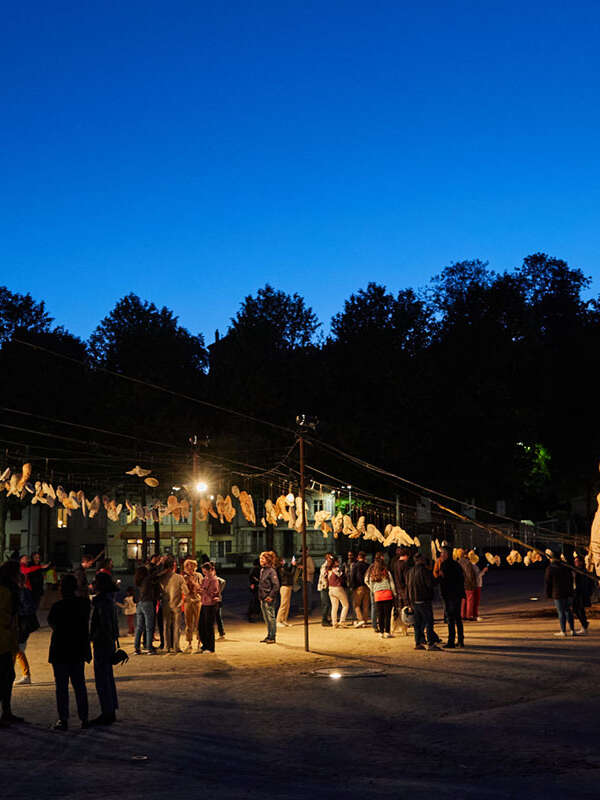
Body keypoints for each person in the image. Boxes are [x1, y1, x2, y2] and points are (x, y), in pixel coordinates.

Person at [47, 573, 91, 730]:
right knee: (80, 685)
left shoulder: (57, 607)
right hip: (77, 649)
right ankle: (84, 718)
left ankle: (63, 719)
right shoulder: (83, 605)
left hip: (60, 650)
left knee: (62, 687)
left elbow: (52, 623)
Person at [90, 571, 119, 725]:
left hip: (102, 642)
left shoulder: (102, 602)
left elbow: (103, 624)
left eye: (95, 582)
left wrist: (93, 636)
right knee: (107, 677)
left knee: (102, 678)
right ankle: (110, 710)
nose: (93, 584)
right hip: (108, 642)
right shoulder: (109, 600)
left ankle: (107, 712)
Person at [0, 560, 23, 726]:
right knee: (5, 676)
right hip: (3, 639)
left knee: (7, 676)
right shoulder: (6, 589)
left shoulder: (9, 588)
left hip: (7, 639)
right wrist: (10, 622)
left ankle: (7, 712)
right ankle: (6, 712)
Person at [406, 553, 439, 651]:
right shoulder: (425, 571)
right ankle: (431, 643)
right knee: (429, 621)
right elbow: (430, 584)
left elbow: (408, 587)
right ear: (421, 560)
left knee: (417, 623)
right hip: (424, 599)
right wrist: (439, 578)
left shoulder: (410, 571)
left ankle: (418, 642)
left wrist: (409, 601)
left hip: (414, 600)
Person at [437, 546, 465, 649]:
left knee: (450, 618)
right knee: (457, 618)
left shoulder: (445, 565)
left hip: (449, 595)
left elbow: (443, 579)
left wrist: (440, 577)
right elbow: (462, 578)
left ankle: (451, 641)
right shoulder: (457, 565)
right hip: (457, 594)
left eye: (442, 553)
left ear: (447, 554)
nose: (441, 556)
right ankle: (461, 640)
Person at [14, 573, 39, 686]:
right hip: (22, 624)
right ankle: (25, 674)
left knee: (18, 649)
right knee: (18, 650)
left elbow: (27, 609)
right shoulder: (25, 591)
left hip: (21, 625)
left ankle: (26, 674)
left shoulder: (21, 592)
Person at [160, 557, 188, 654]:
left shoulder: (161, 578)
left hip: (165, 603)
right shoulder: (179, 578)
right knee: (177, 626)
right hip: (177, 604)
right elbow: (186, 591)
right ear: (174, 566)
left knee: (166, 626)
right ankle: (176, 647)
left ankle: (166, 646)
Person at [545, 552, 576, 637]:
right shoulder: (566, 567)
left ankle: (563, 631)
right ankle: (572, 630)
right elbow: (571, 579)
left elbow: (548, 582)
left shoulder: (550, 568)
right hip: (568, 592)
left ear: (551, 558)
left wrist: (548, 594)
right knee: (568, 611)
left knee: (561, 612)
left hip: (557, 593)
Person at [365, 556, 396, 638]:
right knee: (387, 615)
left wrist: (374, 592)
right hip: (387, 595)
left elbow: (371, 586)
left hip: (378, 596)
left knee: (380, 615)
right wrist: (394, 593)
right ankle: (387, 632)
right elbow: (392, 584)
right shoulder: (387, 573)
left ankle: (381, 632)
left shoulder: (373, 574)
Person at [134, 565, 158, 655]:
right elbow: (156, 575)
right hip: (147, 603)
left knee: (139, 627)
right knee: (149, 627)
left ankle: (137, 648)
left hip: (139, 604)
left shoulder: (138, 581)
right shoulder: (147, 580)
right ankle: (149, 648)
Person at [198, 562, 220, 653]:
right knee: (201, 625)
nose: (204, 573)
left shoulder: (214, 580)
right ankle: (205, 644)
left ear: (211, 570)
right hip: (204, 603)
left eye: (206, 571)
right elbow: (202, 590)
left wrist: (203, 591)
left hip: (211, 605)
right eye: (203, 571)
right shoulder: (205, 579)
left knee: (209, 626)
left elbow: (213, 594)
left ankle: (210, 647)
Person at [258, 551, 279, 643]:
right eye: (260, 558)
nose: (260, 560)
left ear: (268, 560)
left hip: (268, 598)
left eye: (262, 558)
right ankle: (269, 635)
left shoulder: (271, 571)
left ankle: (272, 636)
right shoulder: (262, 570)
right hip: (263, 598)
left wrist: (270, 596)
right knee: (266, 618)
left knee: (271, 617)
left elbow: (276, 585)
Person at [182, 559, 202, 651]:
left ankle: (199, 642)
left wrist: (193, 582)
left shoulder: (198, 575)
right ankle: (189, 642)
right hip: (188, 601)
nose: (190, 567)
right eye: (188, 565)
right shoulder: (183, 577)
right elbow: (182, 589)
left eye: (192, 565)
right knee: (188, 622)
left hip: (197, 600)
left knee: (198, 622)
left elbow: (201, 587)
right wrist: (186, 582)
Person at [573, 555, 595, 635]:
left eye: (577, 561)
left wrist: (588, 592)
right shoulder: (577, 570)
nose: (576, 563)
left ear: (581, 562)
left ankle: (584, 625)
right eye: (575, 561)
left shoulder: (583, 571)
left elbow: (589, 583)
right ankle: (584, 624)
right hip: (578, 593)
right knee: (578, 610)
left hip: (581, 594)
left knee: (579, 609)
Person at [327, 557, 350, 628]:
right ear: (335, 562)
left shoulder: (328, 571)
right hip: (337, 588)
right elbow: (343, 576)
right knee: (345, 605)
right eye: (337, 561)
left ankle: (334, 623)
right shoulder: (336, 570)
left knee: (334, 607)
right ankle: (342, 621)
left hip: (330, 589)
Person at [350, 551, 370, 627]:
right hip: (367, 587)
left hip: (358, 587)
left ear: (358, 557)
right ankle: (365, 621)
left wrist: (352, 586)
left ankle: (360, 619)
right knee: (365, 605)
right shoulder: (368, 565)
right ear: (365, 557)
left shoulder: (355, 565)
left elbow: (352, 576)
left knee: (356, 605)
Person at [457, 550, 478, 620]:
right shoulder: (467, 563)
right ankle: (469, 615)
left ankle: (462, 615)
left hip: (460, 584)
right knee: (470, 599)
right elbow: (469, 574)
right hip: (468, 584)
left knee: (462, 600)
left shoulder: (457, 562)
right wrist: (472, 583)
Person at [276, 556, 296, 627]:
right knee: (283, 604)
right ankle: (278, 620)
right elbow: (290, 574)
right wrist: (293, 566)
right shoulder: (281, 569)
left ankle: (284, 619)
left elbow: (289, 571)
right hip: (284, 586)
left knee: (287, 604)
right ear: (280, 562)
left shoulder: (283, 568)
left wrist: (292, 565)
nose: (284, 561)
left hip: (288, 585)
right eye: (283, 560)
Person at [317, 553, 334, 627]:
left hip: (327, 587)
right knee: (326, 604)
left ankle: (327, 618)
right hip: (323, 587)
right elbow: (324, 575)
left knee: (328, 604)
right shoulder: (324, 566)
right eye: (329, 558)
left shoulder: (329, 566)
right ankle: (324, 620)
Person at [215, 569, 227, 639]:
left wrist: (219, 590)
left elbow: (223, 581)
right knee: (218, 617)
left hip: (218, 600)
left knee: (218, 617)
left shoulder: (217, 579)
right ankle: (221, 632)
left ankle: (221, 632)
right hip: (216, 600)